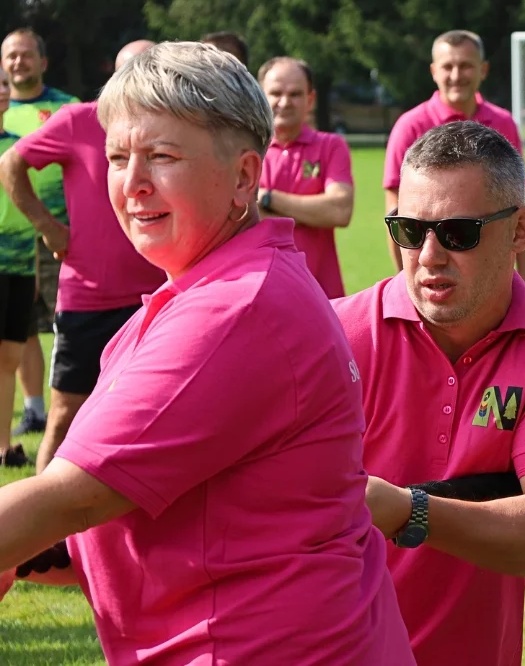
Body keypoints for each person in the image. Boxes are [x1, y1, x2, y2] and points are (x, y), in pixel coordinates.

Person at [0, 41, 413, 665]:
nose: (132, 184)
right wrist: (33, 548)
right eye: (117, 157)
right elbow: (180, 514)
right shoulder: (216, 287)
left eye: (162, 157)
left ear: (245, 177)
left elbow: (77, 496)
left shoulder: (235, 308)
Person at [336, 120, 525, 666]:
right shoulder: (334, 334)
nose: (429, 255)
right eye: (410, 230)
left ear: (520, 230)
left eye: (458, 233)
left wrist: (408, 511)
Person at [0, 40, 166, 474]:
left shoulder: (178, 125)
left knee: (155, 416)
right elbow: (11, 163)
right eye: (133, 70)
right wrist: (48, 227)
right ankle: (45, 514)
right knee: (65, 416)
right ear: (115, 76)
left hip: (163, 296)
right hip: (90, 299)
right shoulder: (78, 119)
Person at [383, 30, 525, 282]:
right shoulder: (410, 126)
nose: (456, 75)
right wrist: (407, 283)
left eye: (465, 66)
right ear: (434, 71)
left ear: (483, 70)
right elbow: (397, 213)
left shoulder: (503, 123)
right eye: (447, 67)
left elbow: (519, 206)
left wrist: (523, 283)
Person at [0, 28, 79, 437]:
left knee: (68, 320)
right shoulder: (3, 109)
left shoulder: (68, 108)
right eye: (11, 55)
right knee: (22, 329)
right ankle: (33, 410)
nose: (18, 62)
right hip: (12, 243)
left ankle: (75, 406)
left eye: (26, 54)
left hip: (62, 231)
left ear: (43, 62)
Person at [257, 56, 354, 299]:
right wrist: (311, 213)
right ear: (259, 96)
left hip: (320, 293)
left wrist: (267, 199)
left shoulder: (331, 146)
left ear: (311, 99)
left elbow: (339, 211)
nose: (284, 102)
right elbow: (239, 216)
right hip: (260, 291)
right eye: (276, 93)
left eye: (295, 94)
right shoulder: (245, 149)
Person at [0, 70, 34, 467]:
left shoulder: (20, 148)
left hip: (22, 263)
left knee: (10, 357)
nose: (1, 91)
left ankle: (4, 446)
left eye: (4, 84)